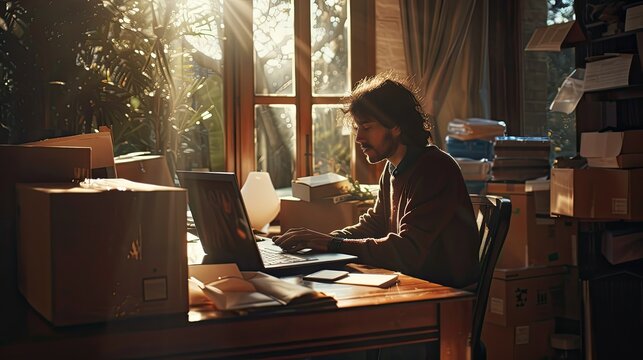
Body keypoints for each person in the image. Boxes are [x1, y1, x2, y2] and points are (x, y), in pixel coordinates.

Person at [274, 72, 480, 290]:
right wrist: (323, 241)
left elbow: (407, 250)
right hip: (412, 285)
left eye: (367, 127)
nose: (359, 138)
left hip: (445, 294)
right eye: (357, 128)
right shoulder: (393, 168)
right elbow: (375, 224)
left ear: (396, 126)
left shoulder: (435, 169)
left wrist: (331, 244)